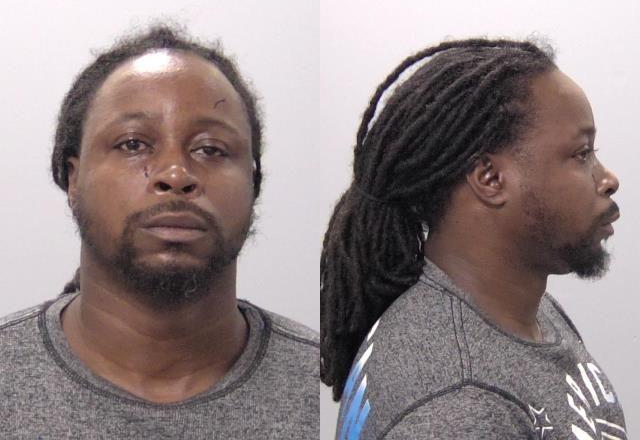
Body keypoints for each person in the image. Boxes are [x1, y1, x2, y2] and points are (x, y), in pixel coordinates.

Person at [0, 26, 318, 438]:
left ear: (254, 184)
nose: (175, 175)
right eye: (133, 144)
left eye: (210, 149)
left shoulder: (334, 387)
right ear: (73, 178)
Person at [321, 39, 626, 439]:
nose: (608, 179)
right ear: (490, 179)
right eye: (582, 154)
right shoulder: (456, 409)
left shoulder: (520, 311)